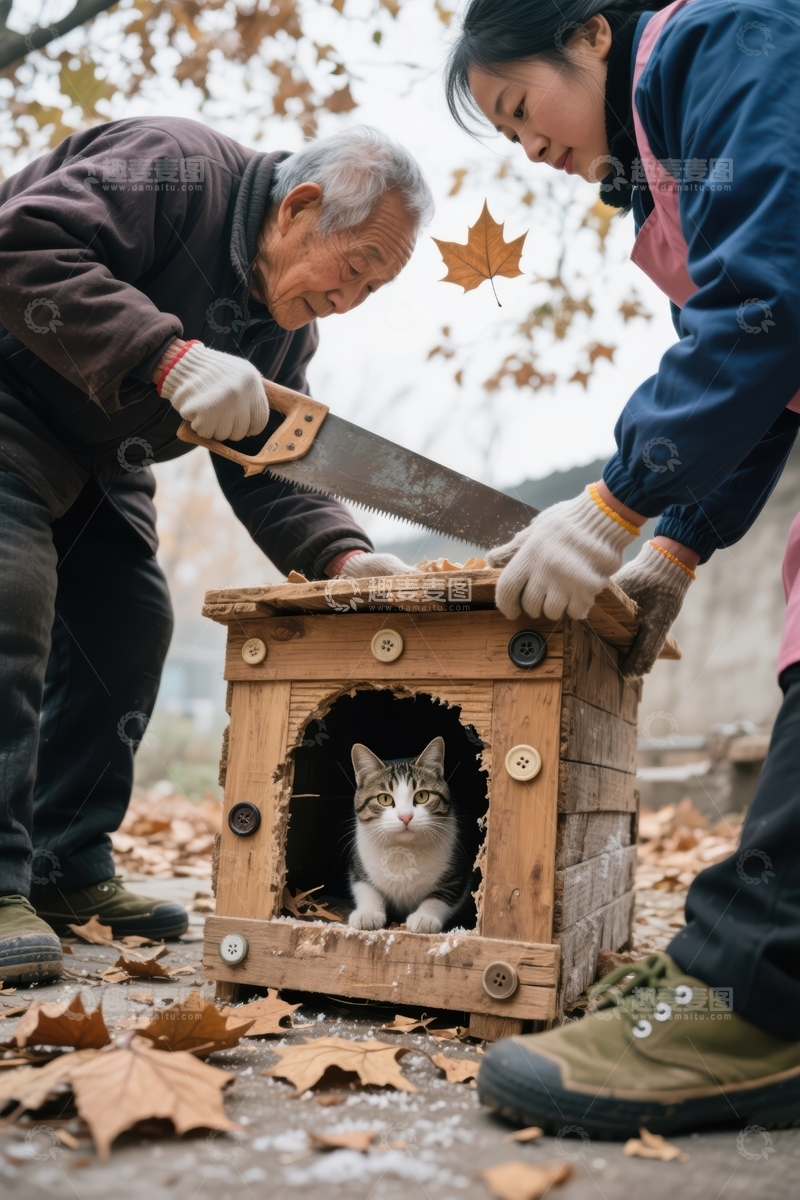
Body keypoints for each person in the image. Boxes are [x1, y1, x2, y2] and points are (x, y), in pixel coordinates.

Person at [444, 0, 800, 1137]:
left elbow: (762, 301)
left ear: (591, 35)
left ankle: (749, 994)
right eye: (505, 140)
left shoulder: (719, 41)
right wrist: (673, 545)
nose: (528, 146)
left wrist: (611, 504)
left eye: (516, 107)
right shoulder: (663, 169)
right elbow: (764, 386)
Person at [0, 118, 431, 984]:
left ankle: (65, 866)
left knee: (130, 625)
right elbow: (23, 243)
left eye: (373, 291)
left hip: (96, 460)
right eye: (354, 269)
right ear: (300, 206)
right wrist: (165, 356)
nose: (350, 302)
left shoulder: (283, 329)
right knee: (11, 594)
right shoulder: (175, 170)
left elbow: (271, 466)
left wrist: (345, 558)